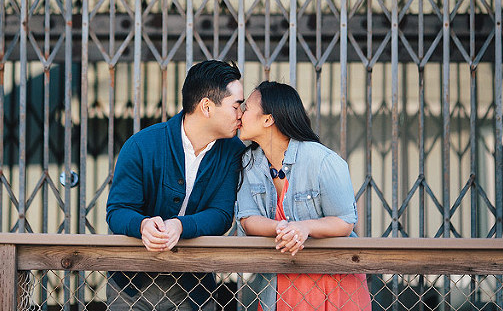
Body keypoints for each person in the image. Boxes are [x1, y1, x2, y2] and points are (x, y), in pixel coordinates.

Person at [106, 60, 246, 311]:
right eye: (237, 105)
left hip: (194, 285)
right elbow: (117, 211)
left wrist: (180, 226)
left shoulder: (233, 151)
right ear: (207, 106)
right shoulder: (141, 145)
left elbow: (222, 215)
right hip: (130, 283)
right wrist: (143, 225)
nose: (241, 114)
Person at [236, 81, 371, 311]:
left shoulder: (322, 161)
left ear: (268, 119)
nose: (239, 114)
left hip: (334, 287)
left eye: (246, 108)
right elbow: (248, 219)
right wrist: (284, 229)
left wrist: (305, 228)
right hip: (279, 287)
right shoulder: (249, 164)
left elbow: (345, 221)